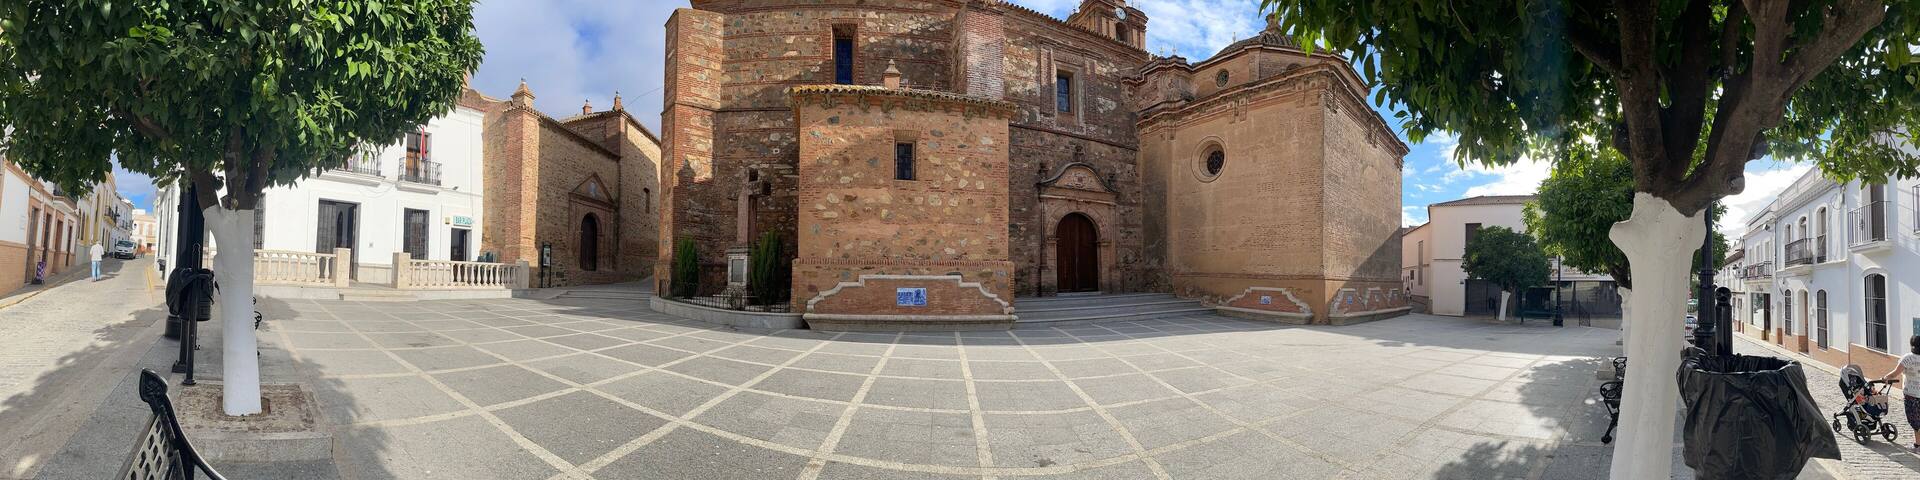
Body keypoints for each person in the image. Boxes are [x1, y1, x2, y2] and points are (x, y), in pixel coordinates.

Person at [1881, 334, 1920, 452]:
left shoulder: (1908, 358)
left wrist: (1885, 377)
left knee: (1915, 420)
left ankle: (1918, 445)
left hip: (1911, 394)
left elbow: (1895, 373)